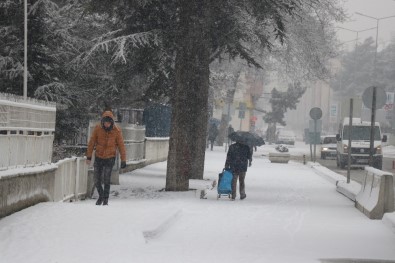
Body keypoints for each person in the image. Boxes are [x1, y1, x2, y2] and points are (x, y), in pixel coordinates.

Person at [86, 110, 127, 205]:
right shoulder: (97, 129)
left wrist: (123, 160)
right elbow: (91, 143)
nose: (107, 124)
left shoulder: (117, 131)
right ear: (102, 122)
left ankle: (105, 200)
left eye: (108, 123)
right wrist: (89, 156)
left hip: (110, 157)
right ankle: (101, 195)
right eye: (105, 122)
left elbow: (121, 146)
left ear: (111, 122)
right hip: (99, 156)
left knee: (107, 178)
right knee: (96, 179)